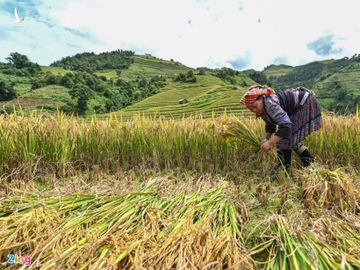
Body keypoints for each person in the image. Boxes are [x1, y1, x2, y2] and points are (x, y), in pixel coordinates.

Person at [242, 84, 322, 172]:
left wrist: (269, 143)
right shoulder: (263, 109)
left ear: (261, 99)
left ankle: (285, 168)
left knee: (284, 139)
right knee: (289, 139)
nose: (254, 110)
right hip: (296, 107)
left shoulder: (270, 104)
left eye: (254, 106)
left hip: (304, 102)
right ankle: (309, 164)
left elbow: (286, 126)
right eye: (251, 109)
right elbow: (270, 125)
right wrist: (266, 138)